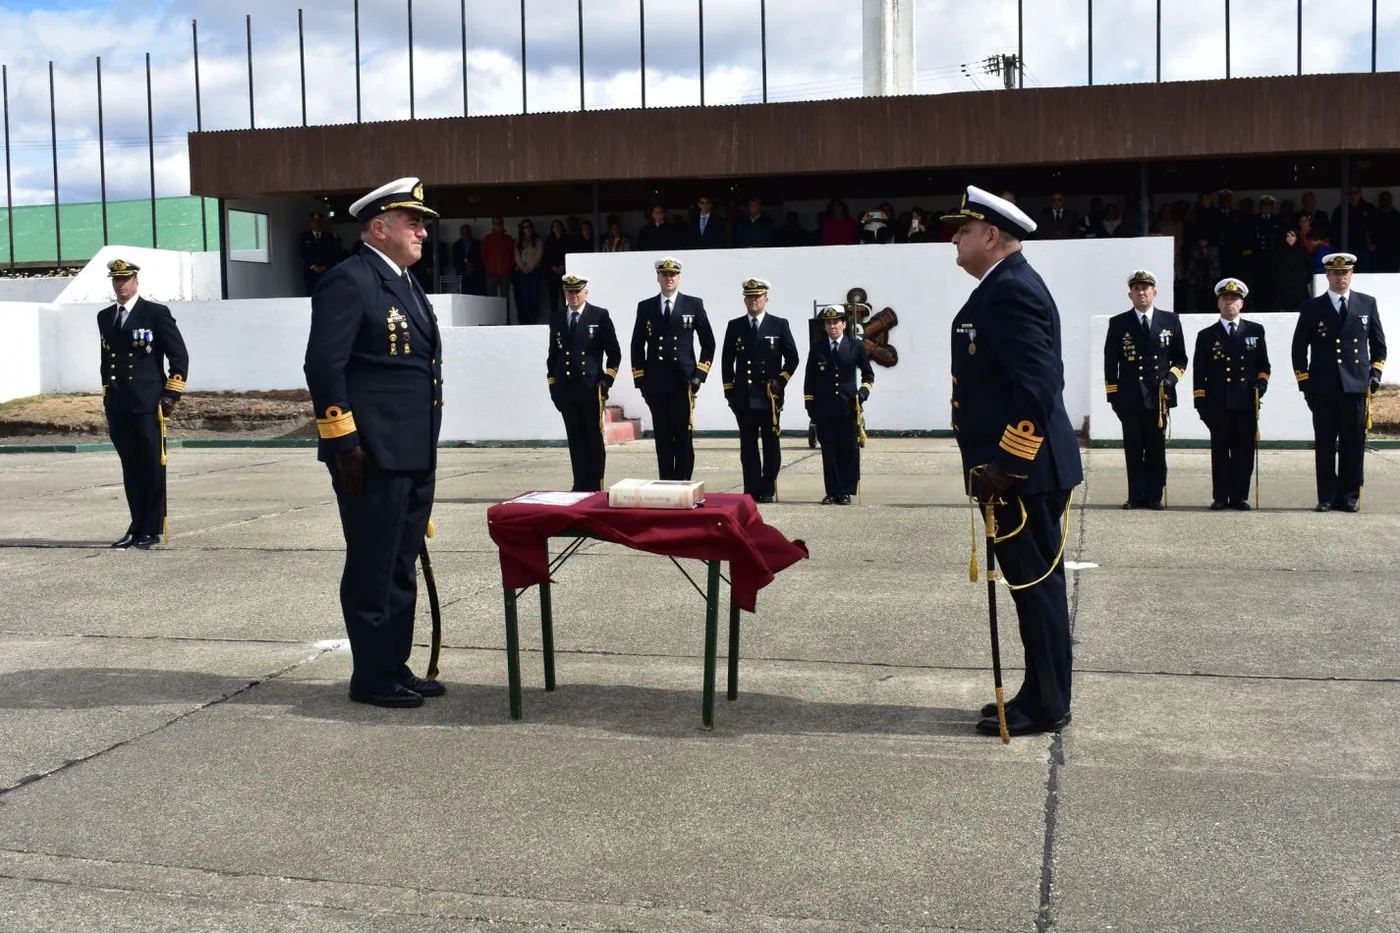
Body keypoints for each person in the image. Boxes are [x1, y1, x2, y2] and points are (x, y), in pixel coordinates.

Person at [943, 185, 1082, 738]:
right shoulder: (1002, 286)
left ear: (991, 236)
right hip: (1013, 474)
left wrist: (1008, 462)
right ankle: (1036, 691)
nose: (954, 237)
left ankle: (1048, 705)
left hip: (1024, 476)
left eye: (963, 229)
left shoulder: (1012, 291)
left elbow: (1039, 386)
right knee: (1028, 590)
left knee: (1037, 588)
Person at [303, 177, 445, 709]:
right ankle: (370, 676)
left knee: (400, 563)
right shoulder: (350, 280)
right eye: (414, 223)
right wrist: (345, 445)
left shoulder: (405, 282)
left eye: (424, 225)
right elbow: (324, 365)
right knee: (372, 564)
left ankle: (394, 665)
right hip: (372, 455)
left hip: (412, 452)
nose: (423, 233)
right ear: (378, 227)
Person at [97, 258, 189, 550]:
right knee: (130, 468)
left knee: (151, 466)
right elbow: (106, 361)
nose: (121, 285)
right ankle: (136, 525)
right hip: (119, 404)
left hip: (149, 404)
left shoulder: (156, 313)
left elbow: (179, 357)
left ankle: (151, 528)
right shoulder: (105, 317)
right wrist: (107, 396)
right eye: (116, 280)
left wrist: (170, 395)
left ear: (136, 281)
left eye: (125, 280)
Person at [1291, 252, 1387, 512]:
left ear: (1351, 274)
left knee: (1353, 444)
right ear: (1327, 276)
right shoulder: (1312, 308)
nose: (1340, 277)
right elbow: (1299, 349)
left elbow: (1379, 346)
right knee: (1324, 444)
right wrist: (1305, 383)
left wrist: (1375, 374)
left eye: (1345, 273)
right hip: (1323, 388)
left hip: (1355, 387)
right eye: (1335, 273)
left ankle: (1349, 496)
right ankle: (1326, 496)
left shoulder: (1367, 303)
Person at [1102, 270, 1186, 510]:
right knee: (1133, 448)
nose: (1141, 292)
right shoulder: (1119, 323)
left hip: (1158, 396)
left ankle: (1154, 496)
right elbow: (1110, 361)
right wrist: (1113, 395)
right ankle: (1135, 496)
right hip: (1129, 397)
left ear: (1154, 293)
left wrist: (1171, 378)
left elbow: (1180, 359)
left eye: (1145, 288)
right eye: (1137, 289)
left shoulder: (1170, 320)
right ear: (1130, 294)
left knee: (1156, 449)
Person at [630, 257, 715, 480]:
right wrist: (641, 381)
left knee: (683, 435)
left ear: (679, 277)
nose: (669, 278)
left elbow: (709, 343)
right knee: (663, 437)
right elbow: (637, 345)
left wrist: (700, 375)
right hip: (656, 382)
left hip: (683, 382)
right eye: (664, 274)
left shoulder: (693, 304)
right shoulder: (645, 306)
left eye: (673, 274)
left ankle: (683, 482)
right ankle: (666, 481)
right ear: (657, 277)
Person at [1192, 278, 1271, 511]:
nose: (1230, 303)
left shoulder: (1255, 331)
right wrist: (1200, 402)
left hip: (1246, 402)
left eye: (1234, 299)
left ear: (1242, 304)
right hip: (1218, 403)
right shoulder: (1206, 335)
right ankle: (1220, 496)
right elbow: (1200, 372)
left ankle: (1239, 496)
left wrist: (1261, 384)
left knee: (1244, 452)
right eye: (1225, 299)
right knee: (1219, 452)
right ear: (1218, 303)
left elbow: (1264, 366)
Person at [721, 278, 800, 503]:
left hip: (769, 396)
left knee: (770, 444)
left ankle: (767, 486)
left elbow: (793, 358)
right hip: (743, 397)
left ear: (766, 299)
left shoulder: (779, 324)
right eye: (749, 297)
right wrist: (729, 391)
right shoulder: (735, 326)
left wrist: (781, 381)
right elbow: (727, 361)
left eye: (757, 297)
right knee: (748, 445)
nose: (753, 301)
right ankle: (751, 488)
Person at [547, 275, 621, 492]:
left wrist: (607, 380)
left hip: (591, 389)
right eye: (570, 292)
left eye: (578, 291)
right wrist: (553, 386)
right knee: (575, 439)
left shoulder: (599, 315)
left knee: (592, 438)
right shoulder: (558, 318)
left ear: (585, 293)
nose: (574, 296)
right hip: (566, 390)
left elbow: (614, 353)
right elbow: (553, 356)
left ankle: (595, 484)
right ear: (565, 294)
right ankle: (579, 484)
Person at [803, 305, 872, 505]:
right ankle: (832, 491)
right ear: (824, 326)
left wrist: (863, 393)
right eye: (828, 323)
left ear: (844, 324)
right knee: (829, 451)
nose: (832, 326)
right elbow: (810, 380)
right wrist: (810, 405)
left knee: (849, 449)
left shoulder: (855, 346)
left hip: (848, 406)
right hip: (825, 408)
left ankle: (846, 491)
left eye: (836, 322)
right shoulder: (818, 348)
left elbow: (868, 375)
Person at [481, 216, 515, 319]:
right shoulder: (488, 239)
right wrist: (488, 268)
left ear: (502, 224)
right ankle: (492, 319)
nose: (497, 225)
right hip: (491, 274)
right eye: (495, 223)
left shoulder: (508, 239)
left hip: (505, 273)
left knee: (505, 298)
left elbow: (513, 256)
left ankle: (506, 320)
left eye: (499, 223)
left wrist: (509, 268)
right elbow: (483, 255)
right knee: (491, 299)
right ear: (492, 225)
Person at [300, 212, 339, 296]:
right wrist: (313, 266)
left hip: (326, 271)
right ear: (310, 223)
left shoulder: (328, 237)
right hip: (310, 272)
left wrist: (325, 266)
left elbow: (333, 253)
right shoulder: (305, 236)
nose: (317, 224)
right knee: (311, 293)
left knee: (326, 293)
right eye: (314, 222)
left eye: (319, 222)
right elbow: (303, 253)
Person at [514, 219, 544, 325]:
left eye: (529, 227)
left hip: (534, 270)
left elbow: (539, 254)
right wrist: (522, 267)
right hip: (522, 272)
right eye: (525, 227)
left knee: (534, 296)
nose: (527, 229)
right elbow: (516, 255)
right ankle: (524, 320)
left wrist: (530, 267)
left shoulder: (538, 240)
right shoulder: (518, 241)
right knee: (523, 296)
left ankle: (534, 319)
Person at [542, 219, 570, 315]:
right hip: (552, 273)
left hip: (565, 271)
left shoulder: (567, 239)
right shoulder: (549, 241)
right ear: (552, 229)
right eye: (554, 226)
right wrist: (553, 267)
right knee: (553, 296)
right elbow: (546, 256)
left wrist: (563, 265)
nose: (557, 228)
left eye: (558, 226)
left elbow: (568, 253)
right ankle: (554, 317)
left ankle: (567, 316)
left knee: (566, 296)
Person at [451, 223, 484, 295]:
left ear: (471, 233)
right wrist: (464, 268)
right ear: (461, 233)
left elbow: (482, 259)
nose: (465, 235)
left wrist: (472, 267)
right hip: (462, 275)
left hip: (476, 275)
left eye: (467, 232)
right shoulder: (457, 245)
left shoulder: (478, 244)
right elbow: (454, 261)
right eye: (463, 233)